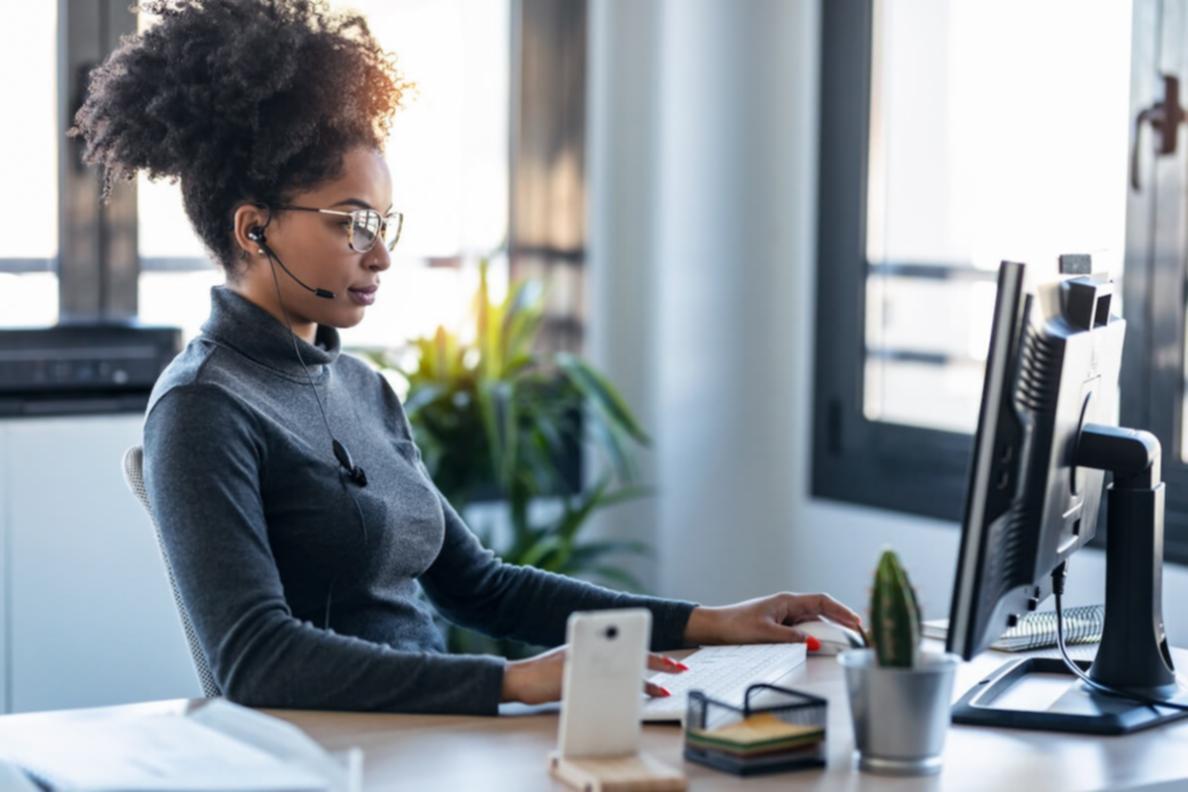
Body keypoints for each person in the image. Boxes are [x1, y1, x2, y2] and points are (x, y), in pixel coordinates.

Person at [71, 0, 862, 715]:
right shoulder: (202, 407)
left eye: (384, 223)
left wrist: (710, 623)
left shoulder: (360, 387)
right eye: (352, 222)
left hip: (428, 736)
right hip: (335, 756)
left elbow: (480, 585)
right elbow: (255, 659)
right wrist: (510, 683)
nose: (379, 254)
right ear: (253, 229)